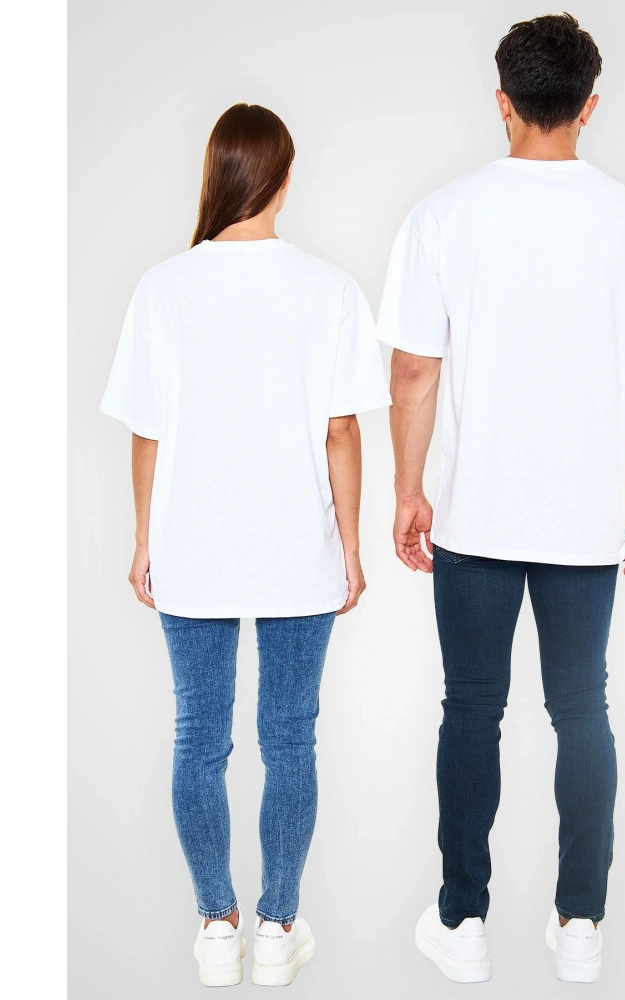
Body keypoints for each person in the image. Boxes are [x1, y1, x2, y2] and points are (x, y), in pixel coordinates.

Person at [376, 13, 625, 986]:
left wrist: (407, 488)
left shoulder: (443, 216)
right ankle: (581, 924)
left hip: (474, 513)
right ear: (588, 106)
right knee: (581, 709)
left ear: (502, 102)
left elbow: (412, 370)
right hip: (585, 516)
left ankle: (463, 922)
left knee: (470, 710)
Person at [101, 103, 390, 987]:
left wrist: (144, 538)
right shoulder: (330, 291)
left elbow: (147, 431)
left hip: (193, 546)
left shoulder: (163, 288)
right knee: (289, 740)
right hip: (297, 547)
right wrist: (350, 545)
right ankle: (277, 928)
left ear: (217, 173)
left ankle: (216, 924)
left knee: (199, 738)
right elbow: (342, 431)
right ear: (286, 178)